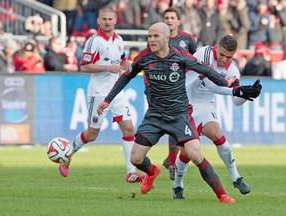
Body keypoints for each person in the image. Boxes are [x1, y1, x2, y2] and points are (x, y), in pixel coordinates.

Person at [97, 22, 259, 202]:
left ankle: (222, 194)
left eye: (155, 36)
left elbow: (207, 72)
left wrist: (235, 89)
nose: (151, 40)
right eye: (149, 36)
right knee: (135, 158)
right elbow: (125, 77)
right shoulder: (144, 57)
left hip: (180, 113)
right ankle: (153, 171)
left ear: (167, 38)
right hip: (155, 115)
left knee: (196, 153)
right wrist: (107, 100)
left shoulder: (181, 57)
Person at [59, 7, 145, 183]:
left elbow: (122, 62)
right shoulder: (94, 41)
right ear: (98, 21)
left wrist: (135, 67)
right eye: (104, 19)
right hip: (98, 93)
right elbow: (84, 66)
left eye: (110, 19)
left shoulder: (119, 40)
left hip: (116, 92)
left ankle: (131, 172)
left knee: (129, 129)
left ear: (115, 21)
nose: (107, 22)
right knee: (92, 135)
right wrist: (107, 67)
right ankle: (68, 155)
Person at [172, 35, 262, 198]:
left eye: (229, 57)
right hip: (183, 104)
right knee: (186, 153)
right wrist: (236, 90)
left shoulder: (233, 69)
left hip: (204, 106)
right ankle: (177, 185)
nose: (223, 59)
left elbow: (235, 101)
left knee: (218, 135)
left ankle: (236, 178)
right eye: (221, 54)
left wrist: (247, 95)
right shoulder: (204, 54)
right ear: (216, 47)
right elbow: (210, 83)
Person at [162, 7, 198, 180]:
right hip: (164, 88)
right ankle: (171, 162)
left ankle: (170, 161)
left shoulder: (187, 39)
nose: (169, 20)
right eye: (166, 17)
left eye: (172, 18)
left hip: (184, 88)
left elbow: (196, 61)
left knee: (176, 125)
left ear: (178, 21)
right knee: (172, 125)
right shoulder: (158, 39)